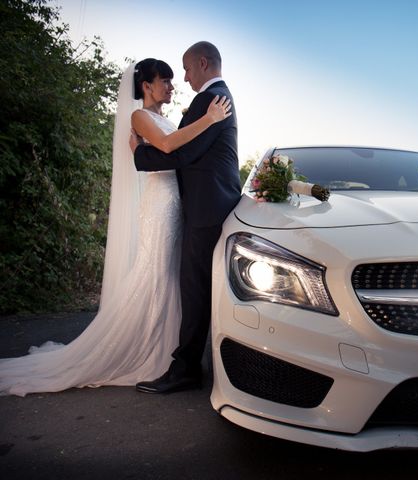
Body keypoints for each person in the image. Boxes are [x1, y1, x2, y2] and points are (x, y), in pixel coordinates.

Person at [0, 58, 230, 396]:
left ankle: (170, 354)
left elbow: (177, 150)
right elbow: (167, 146)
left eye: (171, 79)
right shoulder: (139, 117)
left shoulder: (167, 117)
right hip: (160, 206)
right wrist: (210, 119)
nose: (171, 85)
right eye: (163, 80)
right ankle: (147, 352)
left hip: (177, 205)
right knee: (154, 275)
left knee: (170, 279)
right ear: (146, 86)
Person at [133, 42, 241, 394]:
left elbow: (184, 152)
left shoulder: (213, 100)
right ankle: (189, 363)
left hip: (205, 206)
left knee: (194, 289)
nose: (183, 77)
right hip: (198, 204)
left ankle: (187, 370)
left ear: (203, 63)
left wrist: (141, 156)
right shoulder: (211, 100)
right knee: (191, 287)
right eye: (167, 77)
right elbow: (183, 148)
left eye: (186, 69)